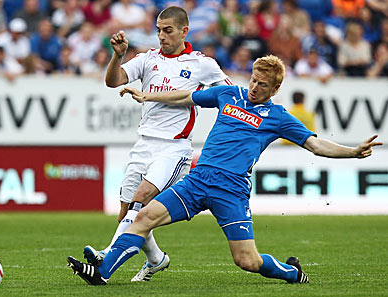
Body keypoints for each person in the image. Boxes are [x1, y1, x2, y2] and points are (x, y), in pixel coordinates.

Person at [67, 55, 382, 285]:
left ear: (276, 87)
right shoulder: (229, 94)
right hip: (199, 177)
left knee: (247, 261)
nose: (255, 86)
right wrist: (146, 94)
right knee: (144, 215)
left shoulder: (279, 117)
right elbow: (185, 96)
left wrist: (353, 152)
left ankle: (291, 272)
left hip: (231, 189)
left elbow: (315, 145)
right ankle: (102, 272)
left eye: (263, 84)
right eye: (254, 79)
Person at [81, 6, 231, 283]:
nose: (161, 36)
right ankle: (157, 259)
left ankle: (107, 257)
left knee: (140, 199)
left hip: (173, 147)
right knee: (127, 214)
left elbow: (228, 94)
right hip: (143, 144)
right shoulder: (147, 59)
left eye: (168, 30)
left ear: (184, 31)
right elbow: (113, 81)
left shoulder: (201, 64)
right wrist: (118, 56)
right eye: (159, 30)